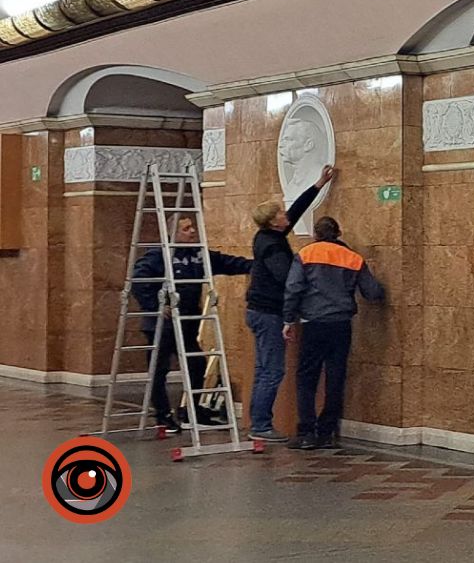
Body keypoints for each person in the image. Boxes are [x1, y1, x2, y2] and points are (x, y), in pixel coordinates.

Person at [131, 216, 252, 434]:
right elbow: (139, 280)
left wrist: (255, 266)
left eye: (192, 227)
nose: (192, 231)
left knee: (196, 365)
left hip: (187, 322)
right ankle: (162, 416)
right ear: (174, 233)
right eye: (186, 229)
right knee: (159, 370)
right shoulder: (159, 254)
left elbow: (226, 262)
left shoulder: (197, 255)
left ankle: (192, 411)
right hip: (163, 324)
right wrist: (156, 305)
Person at [245, 164, 336, 443]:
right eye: (280, 214)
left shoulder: (269, 235)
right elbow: (286, 276)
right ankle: (261, 424)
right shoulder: (272, 245)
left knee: (263, 368)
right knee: (272, 370)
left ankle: (257, 420)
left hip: (258, 310)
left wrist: (318, 185)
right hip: (268, 312)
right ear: (274, 222)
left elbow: (296, 211)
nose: (285, 215)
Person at [282, 216, 384, 450]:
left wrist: (288, 319)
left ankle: (307, 433)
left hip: (313, 323)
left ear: (316, 234)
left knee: (307, 378)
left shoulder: (306, 254)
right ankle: (327, 432)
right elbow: (372, 292)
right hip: (341, 324)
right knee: (335, 377)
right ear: (338, 233)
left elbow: (293, 288)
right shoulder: (353, 258)